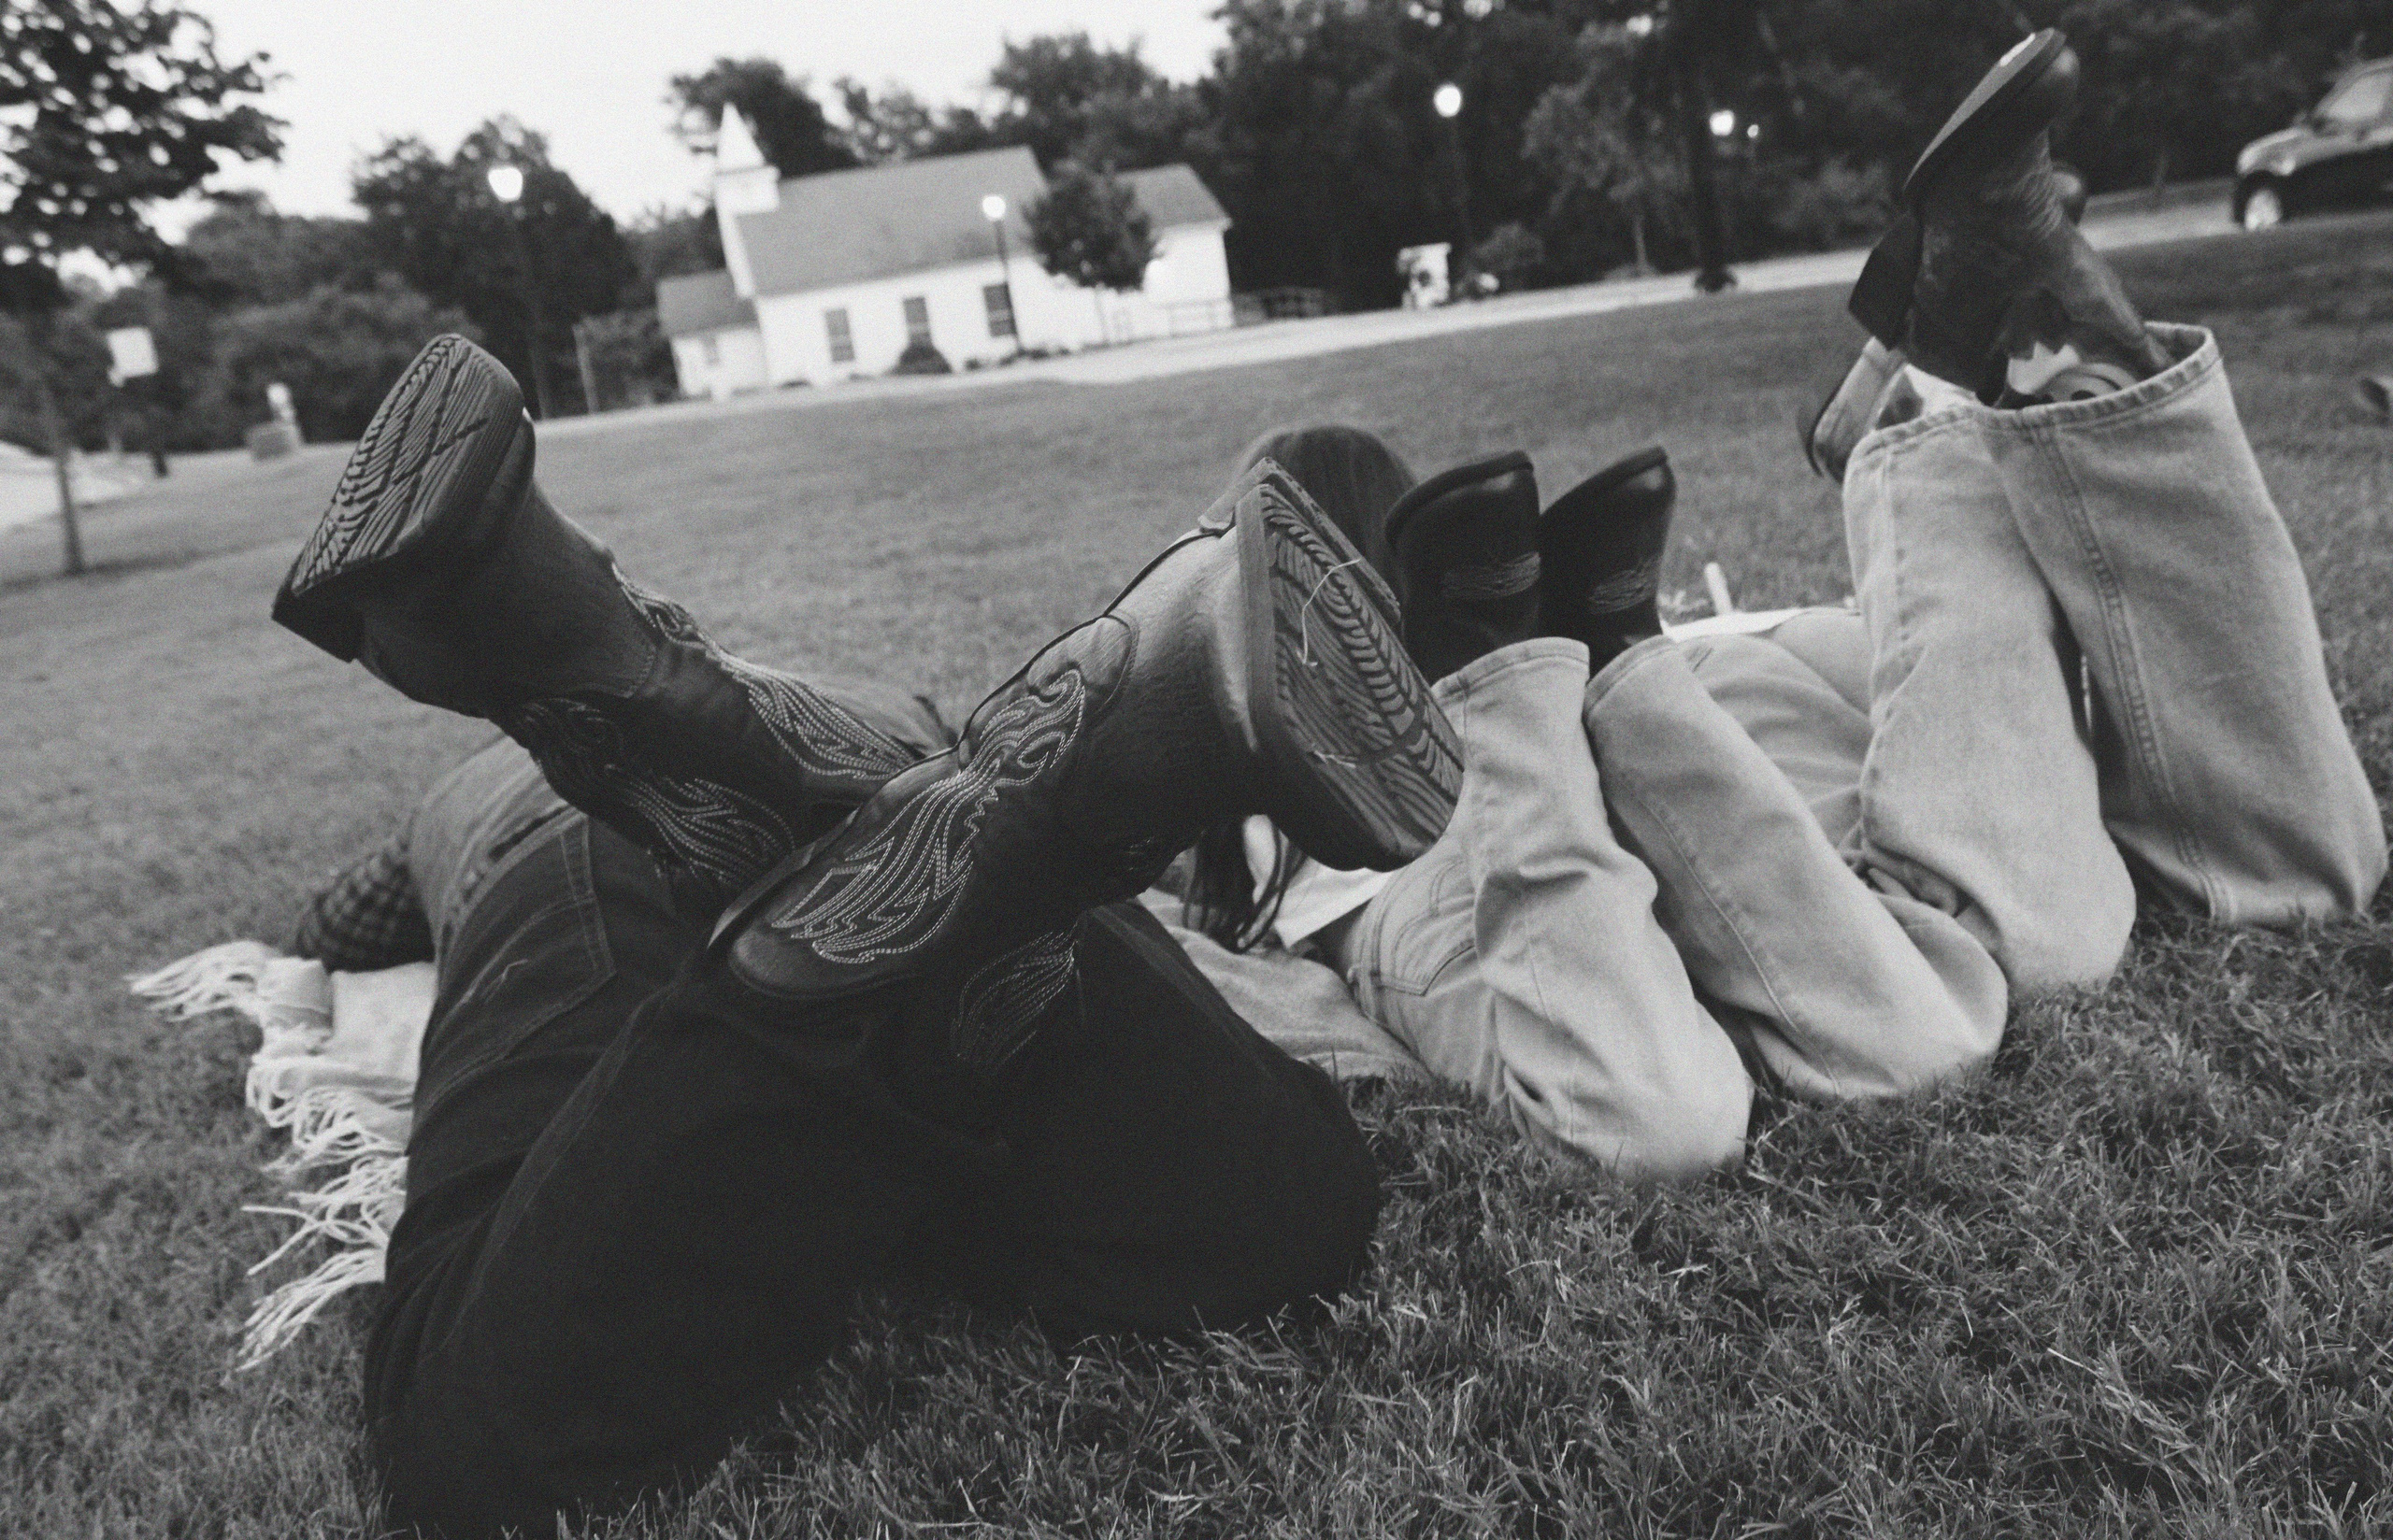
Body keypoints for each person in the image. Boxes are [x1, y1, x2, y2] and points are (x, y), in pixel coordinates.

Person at [271, 333, 1464, 1538]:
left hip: (559, 865)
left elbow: (333, 928)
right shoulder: (858, 700)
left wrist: (334, 926)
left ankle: (842, 838)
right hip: (900, 741)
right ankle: (1073, 741)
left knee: (466, 1442)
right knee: (1292, 1212)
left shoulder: (464, 801)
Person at [1189, 30, 2385, 1181]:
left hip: (1562, 767)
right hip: (1738, 674)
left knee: (2018, 953)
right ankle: (1963, 394)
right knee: (2297, 866)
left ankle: (1920, 436)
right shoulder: (1292, 835)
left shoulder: (1291, 841)